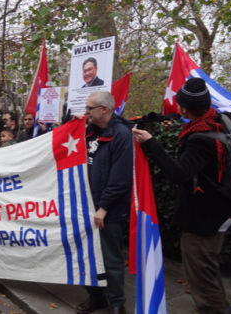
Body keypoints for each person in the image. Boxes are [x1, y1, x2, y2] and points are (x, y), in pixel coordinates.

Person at [132, 78, 231, 314]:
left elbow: (178, 174)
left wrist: (151, 144)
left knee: (200, 269)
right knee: (208, 262)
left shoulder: (200, 138)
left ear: (185, 108)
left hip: (203, 218)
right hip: (227, 208)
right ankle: (218, 305)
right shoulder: (225, 120)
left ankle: (213, 309)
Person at [75, 91, 133, 314]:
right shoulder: (89, 132)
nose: (86, 112)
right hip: (87, 207)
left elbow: (120, 179)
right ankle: (96, 297)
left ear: (104, 109)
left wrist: (103, 208)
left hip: (108, 211)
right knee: (88, 254)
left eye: (89, 108)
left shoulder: (121, 135)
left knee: (110, 258)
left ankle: (117, 303)